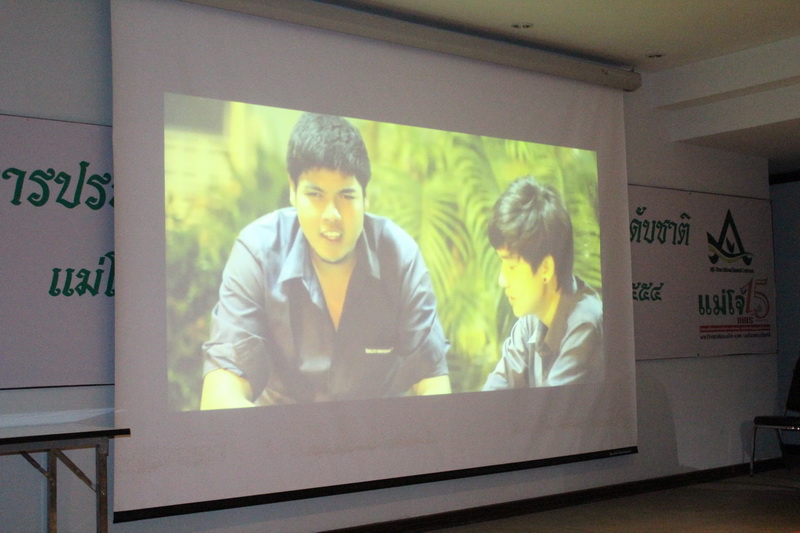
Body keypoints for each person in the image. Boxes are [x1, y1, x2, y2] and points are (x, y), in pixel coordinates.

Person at [201, 112, 451, 408]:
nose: (332, 214)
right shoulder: (257, 252)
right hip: (279, 428)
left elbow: (434, 382)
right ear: (293, 191)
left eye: (346, 196)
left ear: (365, 198)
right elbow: (220, 395)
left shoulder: (399, 255)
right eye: (315, 194)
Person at [483, 176, 603, 389]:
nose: (502, 280)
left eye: (511, 265)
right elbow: (494, 391)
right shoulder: (530, 322)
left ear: (546, 268)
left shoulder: (585, 324)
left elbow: (551, 407)